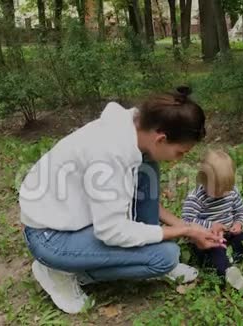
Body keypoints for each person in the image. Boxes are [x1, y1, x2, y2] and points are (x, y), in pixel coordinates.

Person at [19, 87, 224, 314]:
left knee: (148, 165)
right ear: (161, 138)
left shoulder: (135, 130)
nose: (179, 159)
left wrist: (187, 227)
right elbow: (112, 231)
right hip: (51, 237)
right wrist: (184, 231)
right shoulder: (109, 156)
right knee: (165, 257)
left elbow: (143, 201)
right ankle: (59, 272)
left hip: (73, 218)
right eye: (180, 152)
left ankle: (130, 252)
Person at [182, 149, 243, 293]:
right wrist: (210, 226)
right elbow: (187, 221)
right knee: (216, 253)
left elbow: (240, 211)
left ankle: (234, 258)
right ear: (203, 181)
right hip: (209, 240)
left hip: (228, 236)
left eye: (225, 189)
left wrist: (238, 223)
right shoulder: (196, 198)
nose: (222, 193)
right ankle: (227, 272)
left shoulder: (232, 192)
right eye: (217, 190)